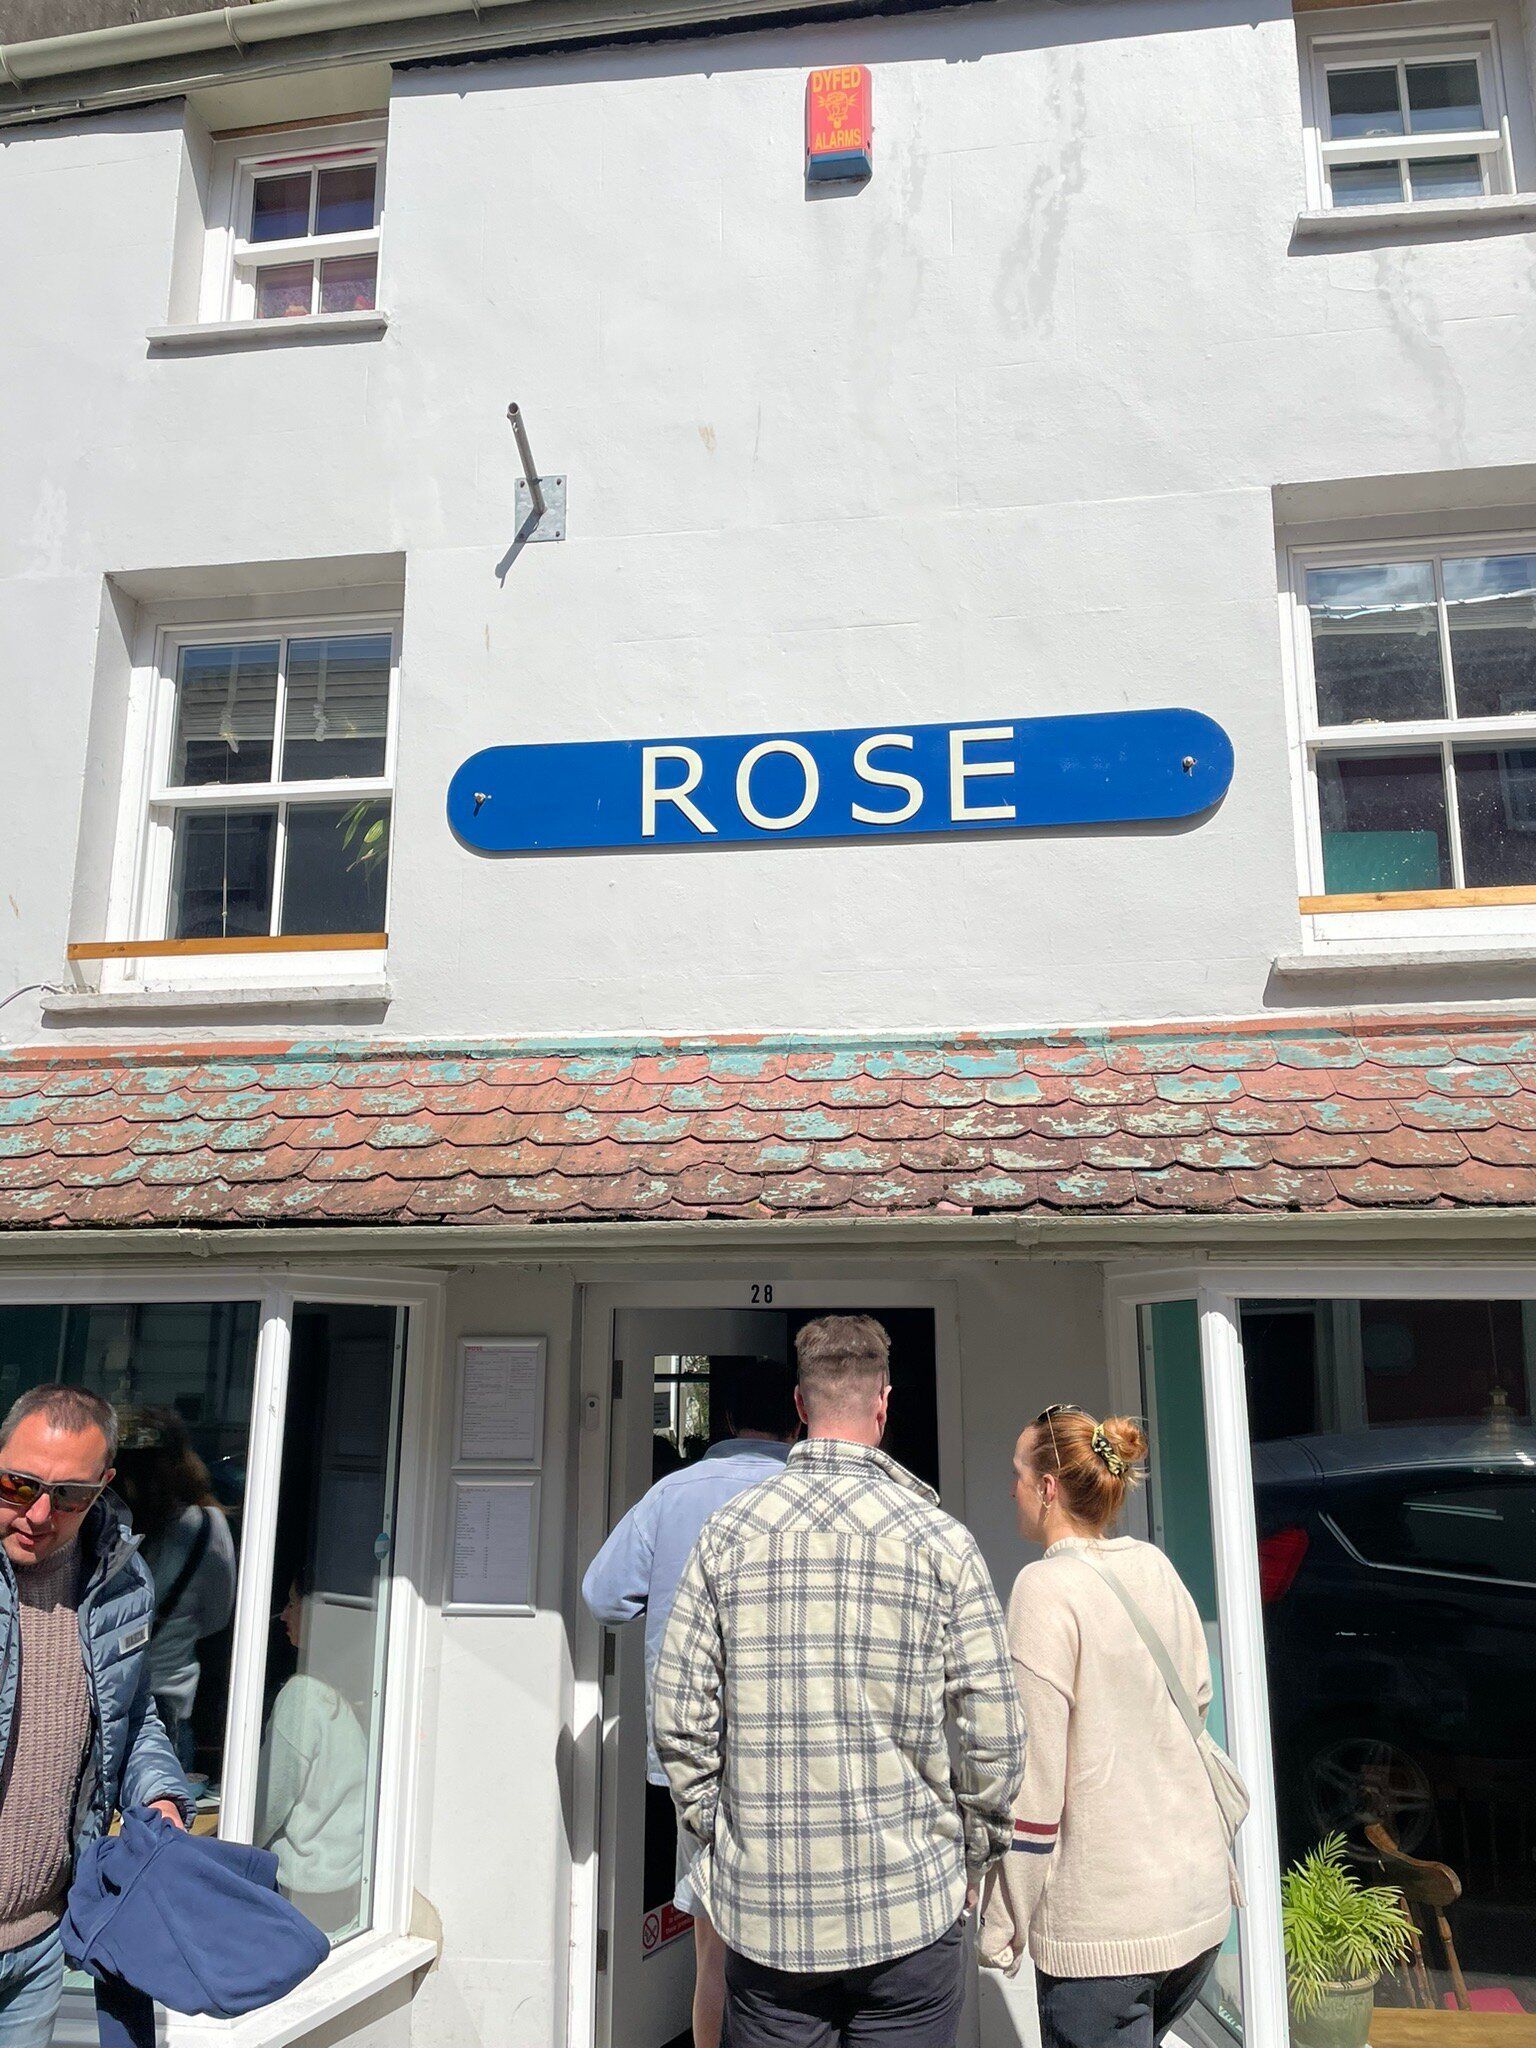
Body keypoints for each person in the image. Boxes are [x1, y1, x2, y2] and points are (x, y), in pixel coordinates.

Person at [654, 1315, 1026, 2048]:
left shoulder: (728, 1533)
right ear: (883, 1406)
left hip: (769, 1914)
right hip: (910, 1908)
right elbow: (997, 1734)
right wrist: (973, 1858)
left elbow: (678, 1718)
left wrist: (719, 1833)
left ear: (799, 1406)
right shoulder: (941, 1541)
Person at [979, 1405, 1233, 2048]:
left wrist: (1004, 1918)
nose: (1009, 1488)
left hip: (1104, 1934)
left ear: (1047, 1487)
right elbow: (1195, 1702)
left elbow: (1035, 1787)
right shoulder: (1155, 1566)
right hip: (1196, 1912)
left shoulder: (1043, 1590)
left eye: (1016, 1472)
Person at [582, 1358, 799, 2048]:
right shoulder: (810, 1492)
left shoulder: (673, 1494)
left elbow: (603, 1595)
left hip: (694, 1749)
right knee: (800, 1936)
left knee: (713, 1948)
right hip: (795, 1743)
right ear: (799, 1413)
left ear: (726, 1419)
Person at [0, 1383, 191, 2046]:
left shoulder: (120, 1580)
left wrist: (160, 1793)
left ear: (104, 1485)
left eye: (70, 1496)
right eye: (17, 1484)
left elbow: (130, 1714)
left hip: (38, 1943)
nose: (39, 1513)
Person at [114, 1409, 237, 1777]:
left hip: (98, 1699)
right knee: (156, 1828)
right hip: (167, 1706)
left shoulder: (98, 1521)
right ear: (182, 1460)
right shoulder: (205, 1527)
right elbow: (217, 1618)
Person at [256, 1571, 368, 1938]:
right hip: (345, 1886)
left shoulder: (303, 1696)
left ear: (318, 1615)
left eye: (291, 1604)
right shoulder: (353, 1695)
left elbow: (267, 1805)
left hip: (302, 1892)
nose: (282, 1615)